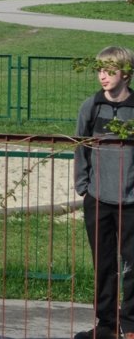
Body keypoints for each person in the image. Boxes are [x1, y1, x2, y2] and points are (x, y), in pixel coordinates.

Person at [74, 46, 134, 339]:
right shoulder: (91, 106)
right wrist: (84, 187)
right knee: (104, 263)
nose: (103, 76)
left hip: (132, 202)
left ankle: (131, 325)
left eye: (109, 70)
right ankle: (107, 325)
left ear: (126, 73)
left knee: (132, 265)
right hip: (98, 199)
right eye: (99, 70)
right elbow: (81, 147)